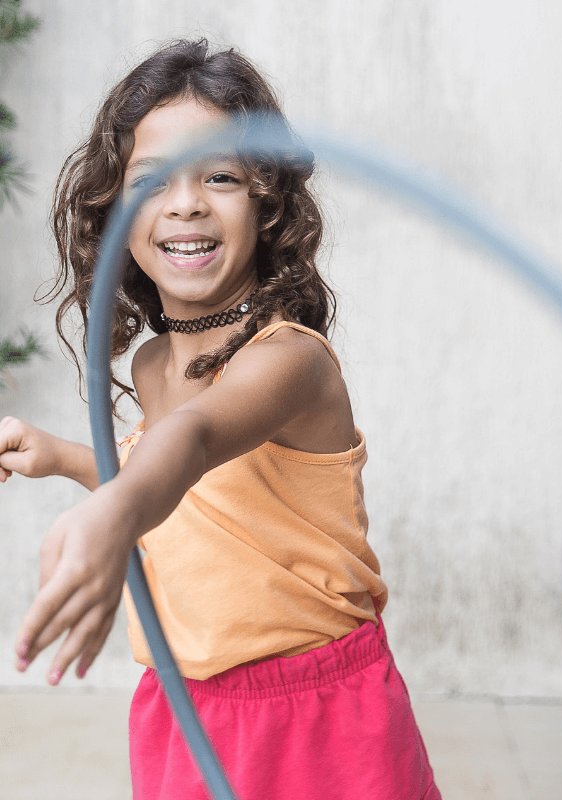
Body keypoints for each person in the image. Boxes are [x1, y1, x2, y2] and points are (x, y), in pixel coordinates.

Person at [0, 39, 442, 800]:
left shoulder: (290, 364)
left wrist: (111, 518)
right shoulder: (151, 363)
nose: (186, 203)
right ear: (115, 215)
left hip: (319, 713)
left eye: (222, 177)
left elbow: (196, 439)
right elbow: (182, 486)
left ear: (267, 204)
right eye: (152, 182)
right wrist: (69, 459)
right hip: (185, 703)